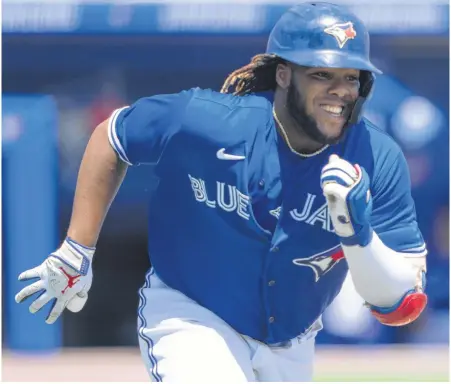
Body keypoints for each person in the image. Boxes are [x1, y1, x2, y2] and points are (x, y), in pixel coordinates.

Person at [15, 2, 428, 382]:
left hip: (292, 339)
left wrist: (357, 235)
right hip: (192, 313)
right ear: (283, 74)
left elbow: (398, 304)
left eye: (350, 77)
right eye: (321, 74)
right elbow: (114, 136)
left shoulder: (376, 157)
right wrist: (76, 249)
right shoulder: (211, 120)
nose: (339, 90)